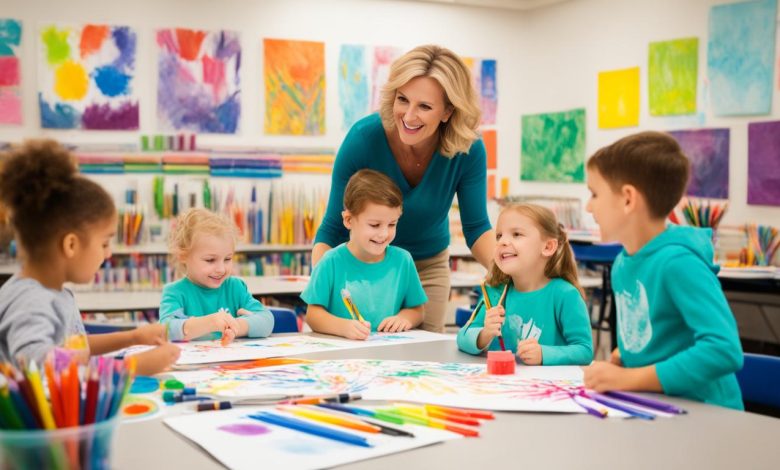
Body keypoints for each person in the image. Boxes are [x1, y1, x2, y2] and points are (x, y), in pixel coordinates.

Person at [313, 44, 495, 333]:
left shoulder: (467, 148)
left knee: (422, 364)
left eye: (424, 106)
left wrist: (511, 276)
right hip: (362, 268)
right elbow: (332, 227)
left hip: (426, 268)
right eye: (402, 100)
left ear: (448, 111)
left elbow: (477, 226)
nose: (409, 116)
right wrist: (323, 285)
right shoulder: (363, 138)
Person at [582, 131, 743, 410]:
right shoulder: (623, 262)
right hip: (656, 407)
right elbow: (660, 336)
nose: (588, 205)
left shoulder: (679, 263)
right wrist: (629, 355)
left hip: (706, 415)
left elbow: (724, 350)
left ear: (628, 199)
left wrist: (629, 378)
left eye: (595, 193)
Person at [0, 140, 180, 375]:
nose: (109, 253)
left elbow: (70, 350)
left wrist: (133, 337)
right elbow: (40, 365)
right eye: (104, 242)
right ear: (71, 245)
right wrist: (132, 367)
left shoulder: (51, 292)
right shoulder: (32, 301)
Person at [457, 204, 593, 365]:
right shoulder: (495, 292)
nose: (503, 242)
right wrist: (484, 334)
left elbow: (584, 350)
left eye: (516, 234)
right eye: (499, 236)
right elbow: (462, 337)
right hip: (501, 386)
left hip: (544, 387)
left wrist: (544, 353)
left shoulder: (565, 294)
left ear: (548, 247)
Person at [302, 169, 427, 340]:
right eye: (375, 225)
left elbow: (417, 310)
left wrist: (404, 318)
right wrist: (343, 327)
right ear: (348, 220)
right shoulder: (330, 261)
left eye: (392, 224)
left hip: (388, 357)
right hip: (341, 356)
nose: (384, 234)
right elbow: (313, 315)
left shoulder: (403, 261)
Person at [159, 208, 274, 343]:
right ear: (183, 256)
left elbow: (267, 320)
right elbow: (166, 330)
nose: (221, 269)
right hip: (193, 362)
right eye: (210, 260)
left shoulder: (235, 287)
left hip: (230, 361)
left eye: (227, 259)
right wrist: (210, 323)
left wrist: (236, 326)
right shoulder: (175, 292)